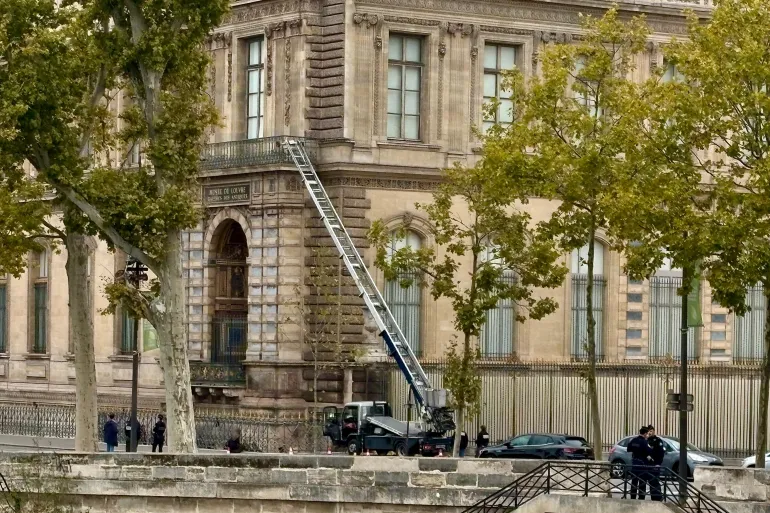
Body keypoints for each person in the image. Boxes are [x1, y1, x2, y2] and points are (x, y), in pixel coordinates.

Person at [627, 426, 653, 500]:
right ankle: (641, 497)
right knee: (642, 482)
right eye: (647, 434)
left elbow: (628, 449)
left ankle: (633, 497)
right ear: (644, 434)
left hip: (634, 463)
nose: (647, 435)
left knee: (634, 482)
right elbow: (649, 451)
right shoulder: (644, 442)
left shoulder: (633, 440)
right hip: (642, 464)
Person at [647, 425, 665, 501]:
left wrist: (658, 463)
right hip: (647, 464)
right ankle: (653, 498)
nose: (649, 433)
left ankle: (658, 497)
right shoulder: (646, 440)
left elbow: (661, 453)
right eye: (648, 431)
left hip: (655, 464)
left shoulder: (657, 441)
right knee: (650, 482)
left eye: (651, 431)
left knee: (655, 481)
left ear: (654, 431)